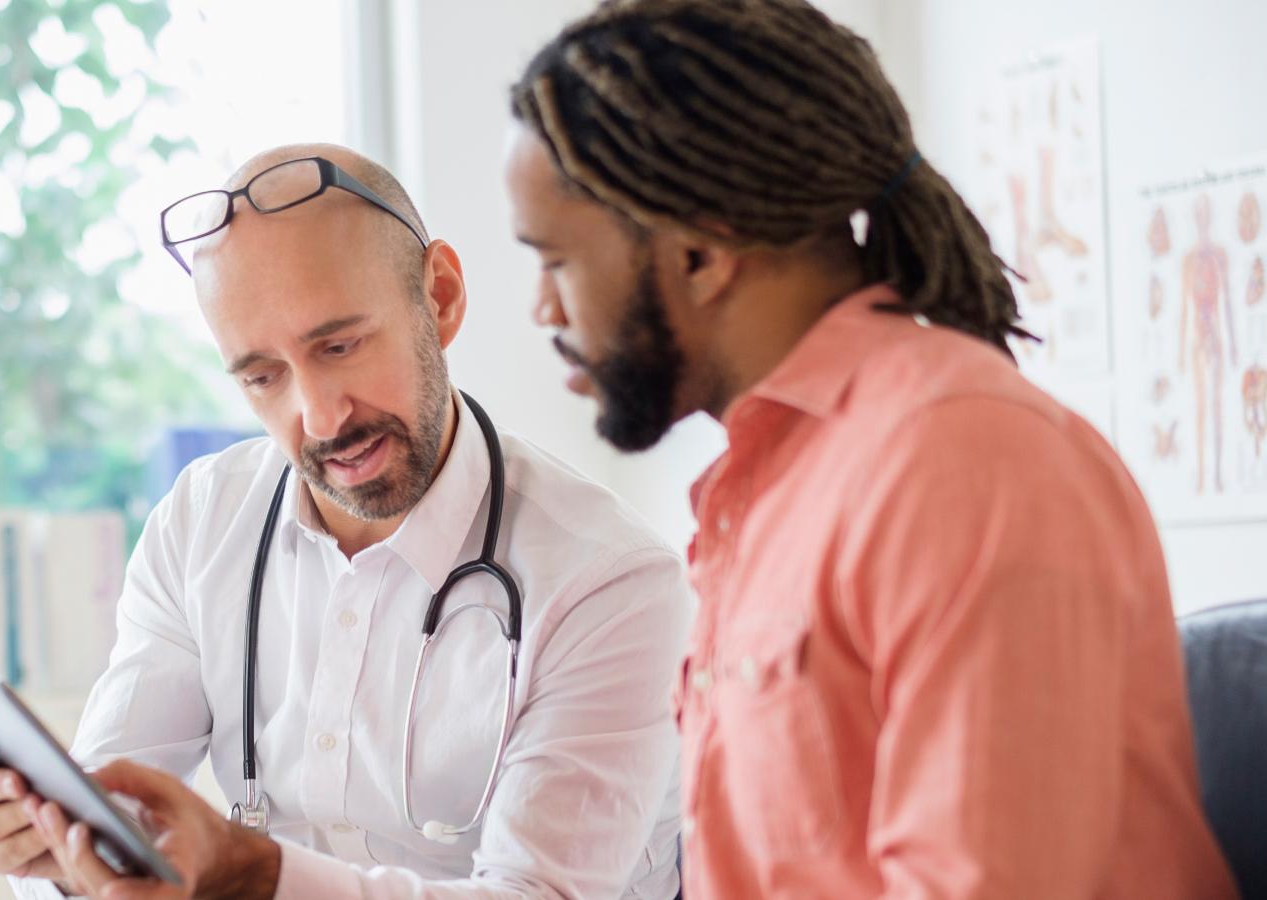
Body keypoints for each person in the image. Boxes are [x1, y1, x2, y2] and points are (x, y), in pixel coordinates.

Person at [502, 1, 1239, 897]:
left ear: (700, 252)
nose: (542, 310)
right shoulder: (770, 484)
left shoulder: (964, 467)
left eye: (554, 262)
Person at [0, 143, 691, 900]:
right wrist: (56, 849)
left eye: (340, 346)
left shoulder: (611, 583)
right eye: (263, 376)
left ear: (442, 296)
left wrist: (254, 875)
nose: (320, 416)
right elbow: (114, 810)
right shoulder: (202, 522)